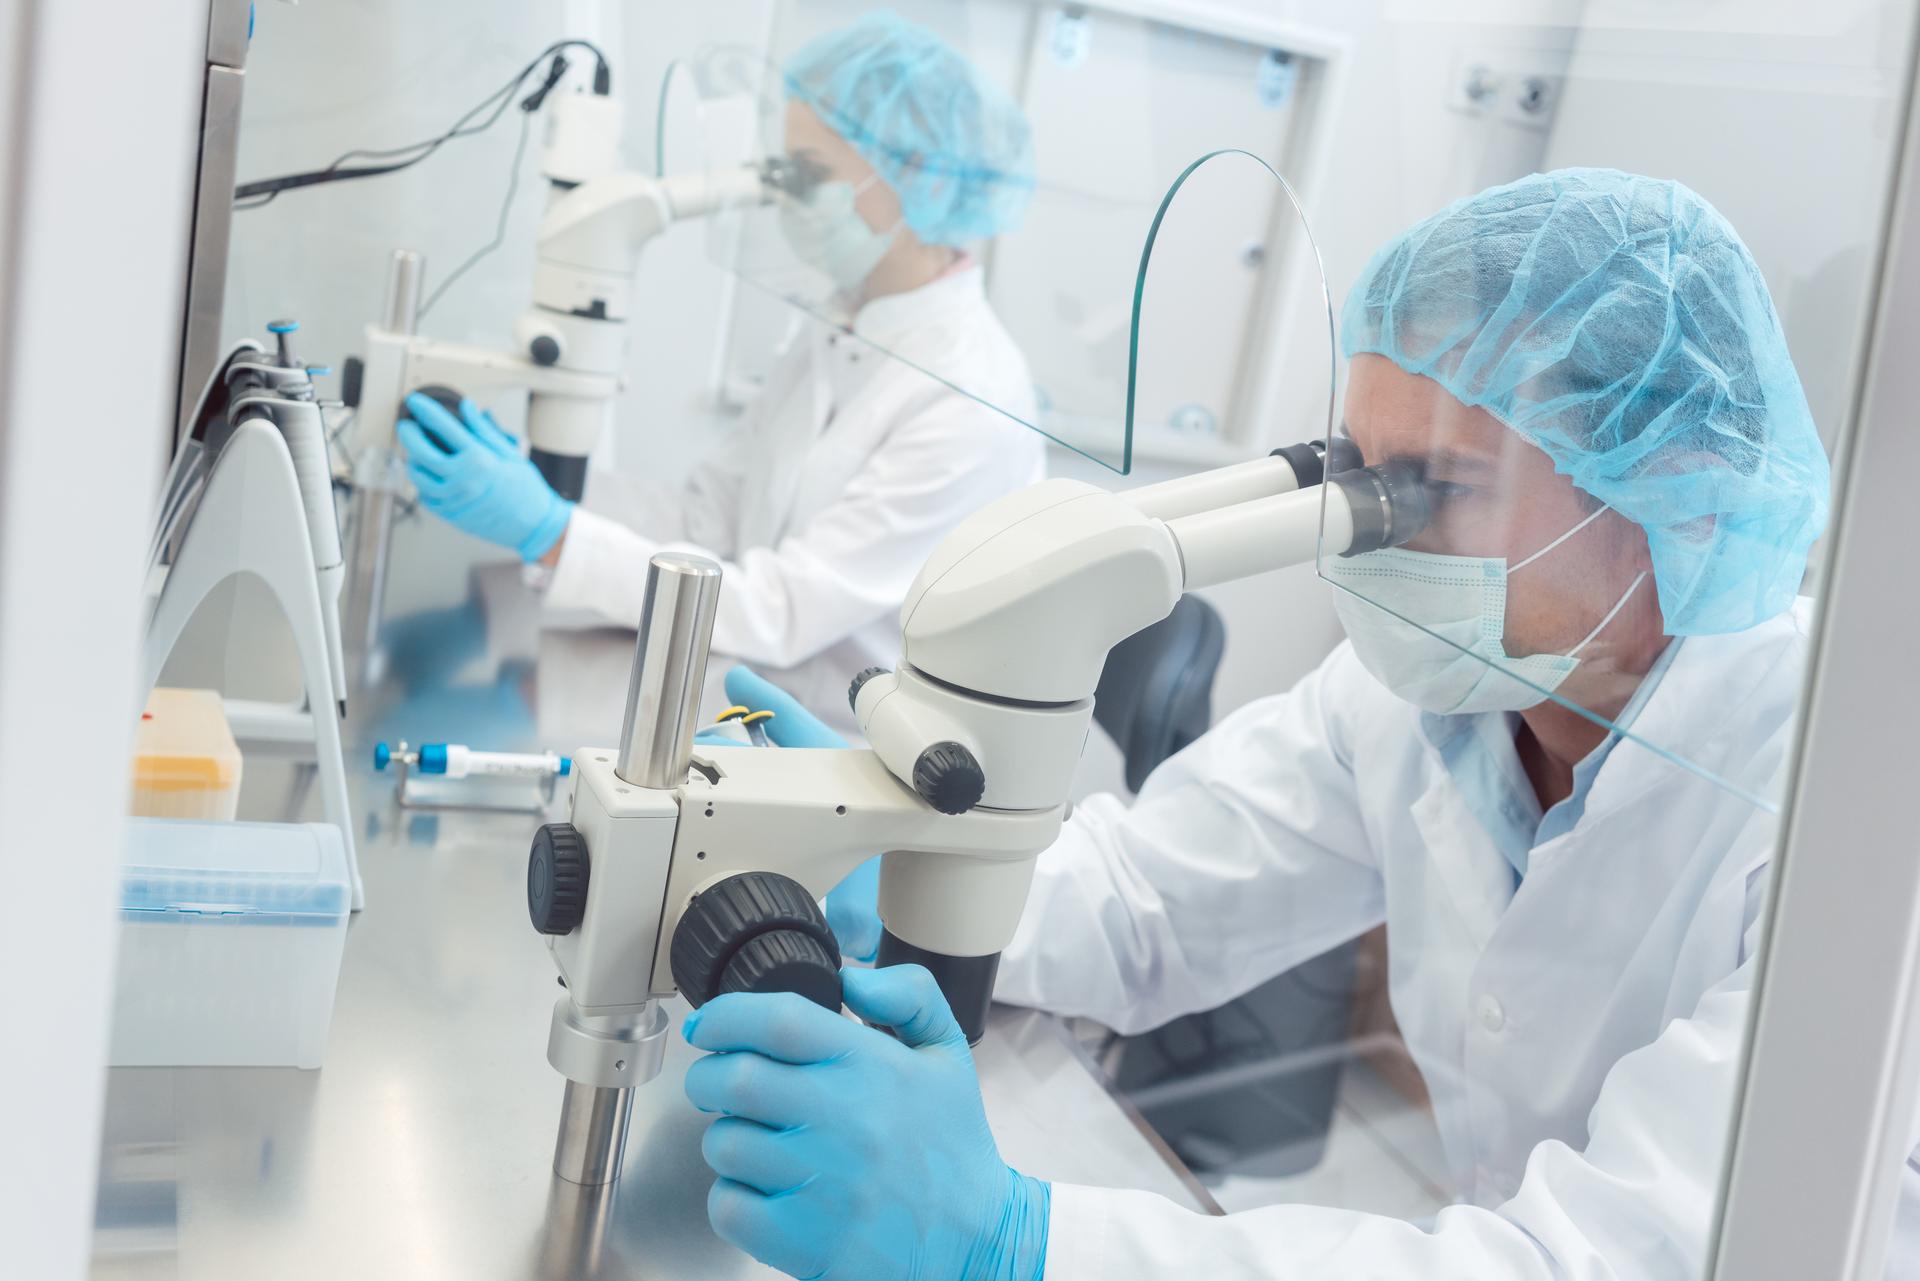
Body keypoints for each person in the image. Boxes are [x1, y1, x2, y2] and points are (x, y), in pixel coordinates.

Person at [670, 169, 1916, 1279]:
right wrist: (878, 848)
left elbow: (1587, 1262)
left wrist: (1027, 1245)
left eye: (1441, 487)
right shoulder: (1435, 693)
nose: (1370, 533)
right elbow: (1149, 897)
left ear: (1673, 491)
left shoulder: (1853, 824)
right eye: (1359, 470)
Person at [396, 12, 1042, 731]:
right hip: (750, 688)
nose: (786, 196)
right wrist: (540, 479)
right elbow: (710, 519)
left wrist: (549, 531)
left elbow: (785, 608)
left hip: (843, 747)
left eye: (812, 174)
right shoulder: (844, 323)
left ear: (916, 173)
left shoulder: (970, 399)